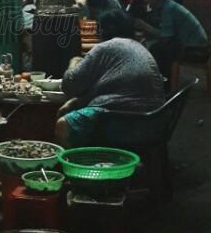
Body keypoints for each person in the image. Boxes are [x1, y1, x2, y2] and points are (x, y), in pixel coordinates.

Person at [55, 9, 165, 147]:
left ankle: (81, 160)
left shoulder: (106, 47)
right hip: (153, 119)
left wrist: (74, 62)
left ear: (101, 30)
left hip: (119, 119)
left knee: (63, 126)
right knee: (72, 107)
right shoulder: (138, 47)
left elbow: (70, 85)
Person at [137, 0, 208, 80]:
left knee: (157, 50)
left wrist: (144, 26)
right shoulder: (169, 5)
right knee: (157, 48)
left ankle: (164, 82)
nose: (147, 0)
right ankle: (164, 81)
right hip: (197, 45)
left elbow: (165, 38)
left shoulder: (168, 9)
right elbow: (165, 34)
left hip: (196, 50)